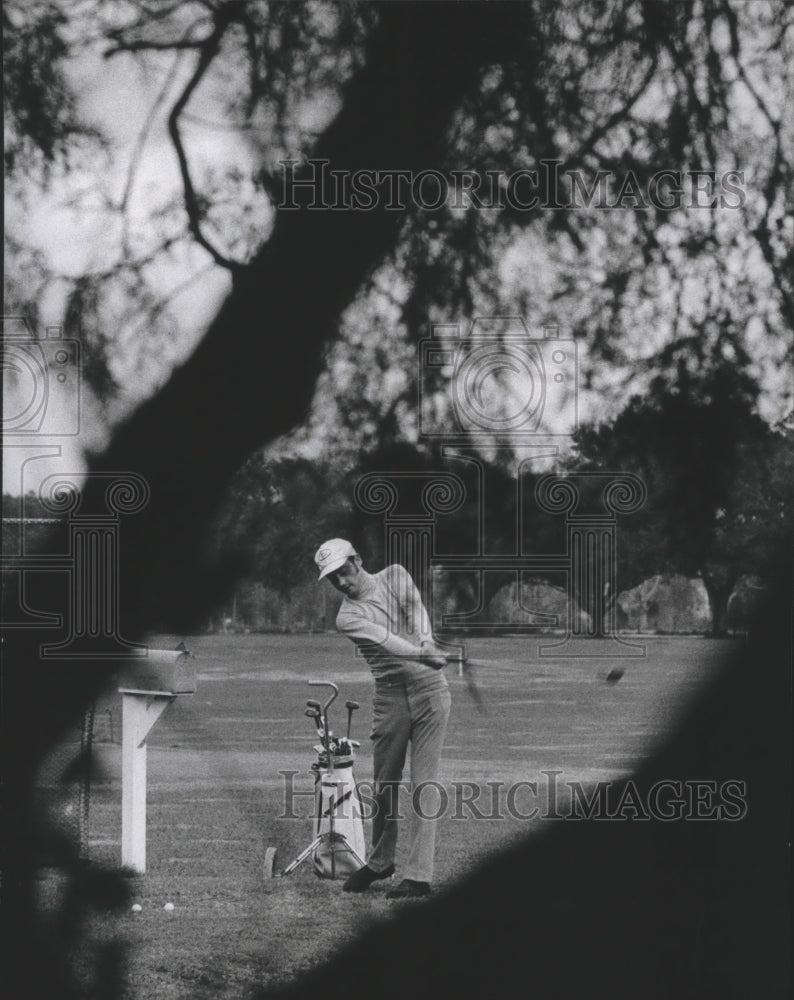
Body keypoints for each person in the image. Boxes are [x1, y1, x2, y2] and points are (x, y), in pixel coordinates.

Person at [314, 538, 452, 899]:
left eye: (343, 572)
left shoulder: (395, 576)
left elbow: (416, 611)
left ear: (357, 560)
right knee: (384, 785)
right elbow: (387, 639)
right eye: (333, 579)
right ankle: (380, 862)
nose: (341, 582)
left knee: (425, 784)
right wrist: (422, 653)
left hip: (430, 692)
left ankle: (419, 875)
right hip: (390, 694)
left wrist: (426, 640)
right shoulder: (347, 616)